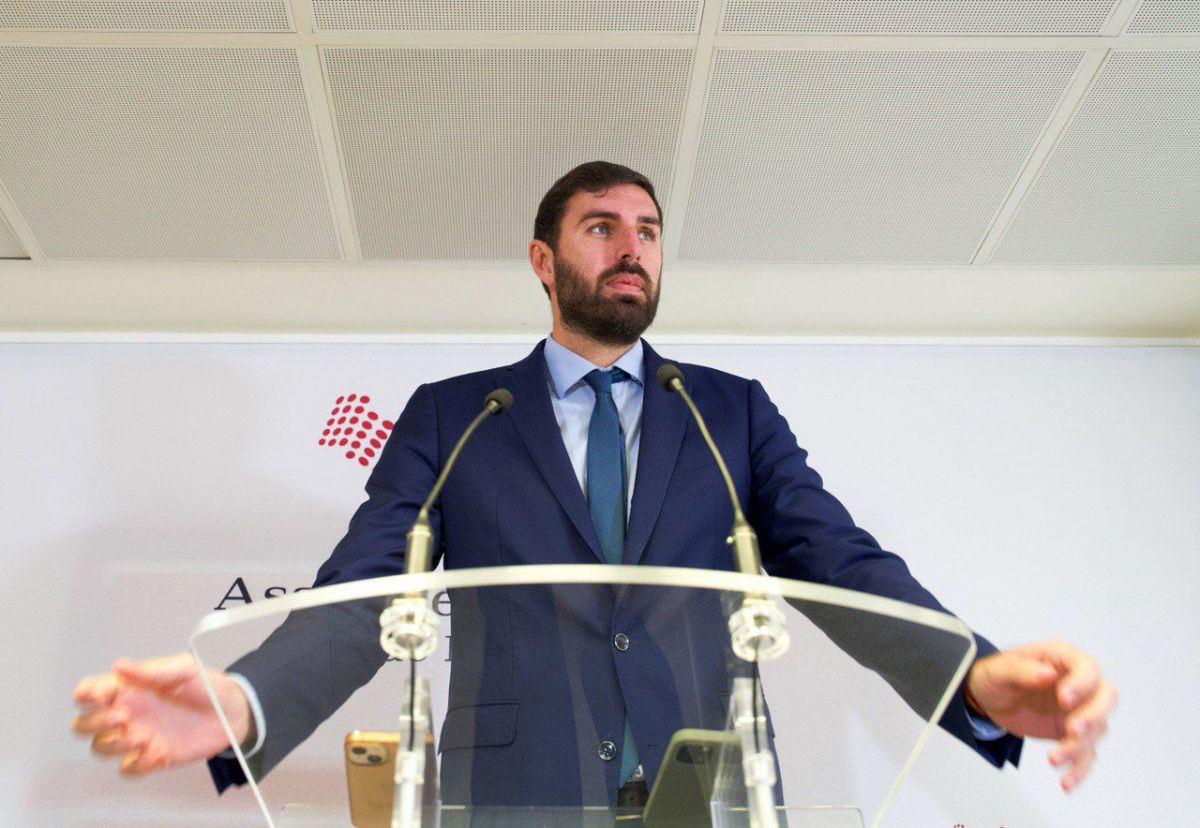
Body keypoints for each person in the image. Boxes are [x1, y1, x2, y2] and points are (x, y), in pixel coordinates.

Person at [74, 162, 1116, 805]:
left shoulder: (729, 412)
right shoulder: (456, 414)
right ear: (544, 259)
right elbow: (364, 594)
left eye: (648, 232)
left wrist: (974, 676)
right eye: (602, 227)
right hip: (510, 793)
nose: (632, 249)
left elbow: (840, 564)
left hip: (708, 793)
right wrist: (247, 699)